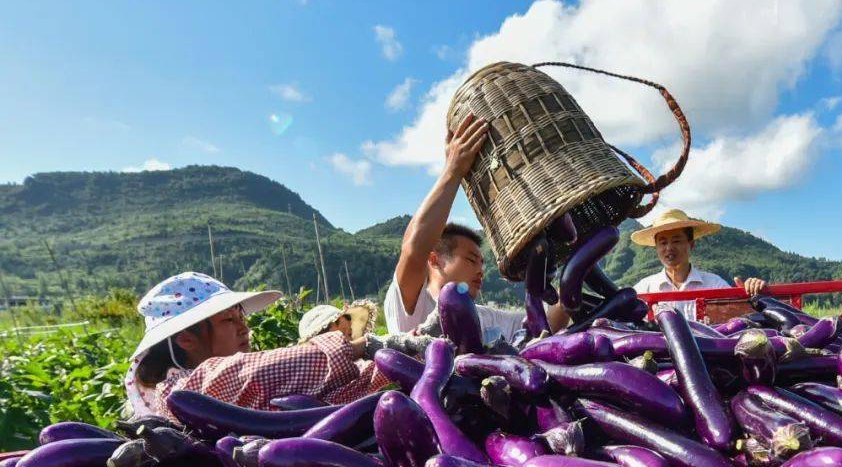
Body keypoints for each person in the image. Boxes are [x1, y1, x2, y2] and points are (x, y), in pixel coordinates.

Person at [385, 112, 567, 343]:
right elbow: (413, 250)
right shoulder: (414, 306)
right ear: (434, 260)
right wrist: (453, 170)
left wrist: (576, 271)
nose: (480, 270)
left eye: (481, 263)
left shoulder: (485, 316)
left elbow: (545, 325)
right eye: (471, 260)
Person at [125, 272, 388, 418]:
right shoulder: (178, 393)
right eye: (229, 319)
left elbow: (339, 394)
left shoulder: (232, 391)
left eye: (242, 317)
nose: (244, 327)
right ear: (186, 339)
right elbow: (246, 373)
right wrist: (363, 346)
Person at [630, 209, 767, 321]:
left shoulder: (715, 285)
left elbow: (740, 317)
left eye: (676, 241)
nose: (669, 248)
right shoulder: (644, 288)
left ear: (691, 244)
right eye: (663, 243)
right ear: (657, 248)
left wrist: (751, 293)